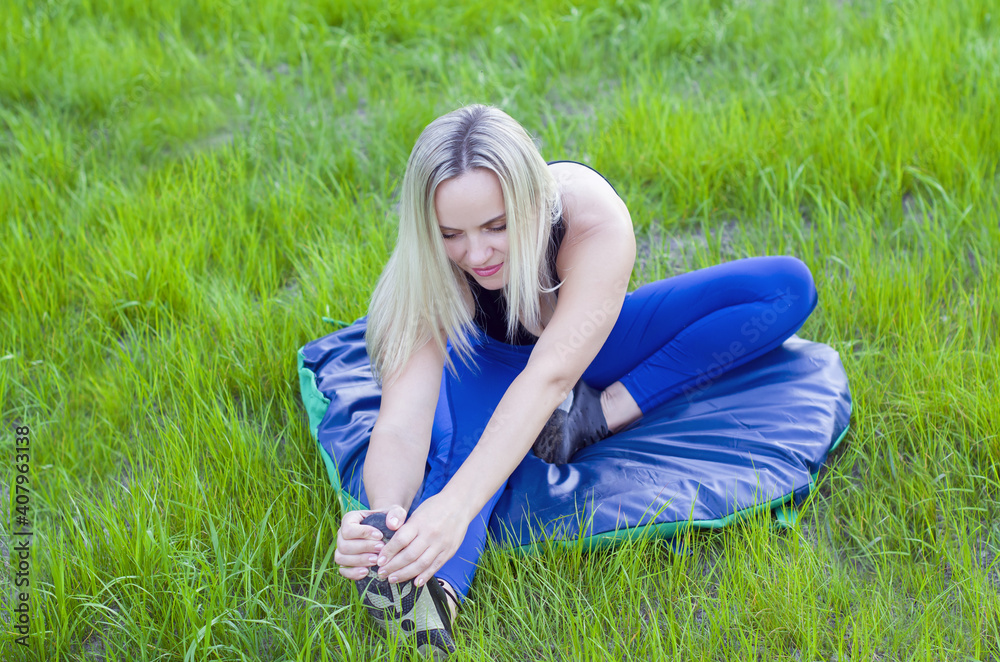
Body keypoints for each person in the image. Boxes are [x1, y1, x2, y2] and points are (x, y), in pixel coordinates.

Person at [333, 104, 817, 656]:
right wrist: (381, 519)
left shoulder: (590, 218)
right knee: (464, 456)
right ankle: (426, 595)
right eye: (451, 234)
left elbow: (548, 376)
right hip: (493, 361)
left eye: (497, 226)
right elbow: (402, 422)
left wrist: (458, 505)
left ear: (531, 201)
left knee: (784, 286)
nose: (477, 253)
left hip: (584, 342)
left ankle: (596, 413)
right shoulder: (426, 268)